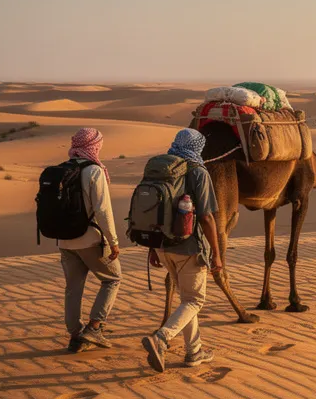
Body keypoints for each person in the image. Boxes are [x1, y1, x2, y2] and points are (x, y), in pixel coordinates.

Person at [141, 129, 223, 372]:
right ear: (198, 147)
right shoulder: (197, 172)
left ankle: (194, 351)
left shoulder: (159, 169)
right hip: (190, 247)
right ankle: (162, 338)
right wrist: (216, 253)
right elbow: (207, 217)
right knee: (195, 300)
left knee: (186, 300)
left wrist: (153, 247)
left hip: (163, 246)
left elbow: (149, 212)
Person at [57, 128, 121, 352]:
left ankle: (75, 336)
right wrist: (113, 241)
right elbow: (103, 210)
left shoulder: (62, 170)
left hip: (65, 241)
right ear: (95, 146)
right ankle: (94, 327)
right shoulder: (94, 171)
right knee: (112, 279)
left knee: (73, 289)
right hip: (91, 240)